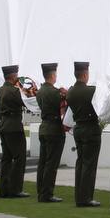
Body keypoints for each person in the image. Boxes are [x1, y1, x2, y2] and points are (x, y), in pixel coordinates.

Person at [67, 60, 101, 207]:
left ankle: (79, 196)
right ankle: (86, 197)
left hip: (79, 128)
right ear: (85, 74)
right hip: (90, 129)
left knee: (81, 162)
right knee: (89, 164)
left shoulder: (70, 91)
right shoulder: (90, 91)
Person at [0, 65, 28, 198]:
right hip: (14, 126)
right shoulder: (14, 91)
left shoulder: (0, 90)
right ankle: (15, 189)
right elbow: (26, 102)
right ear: (13, 76)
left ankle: (4, 189)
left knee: (6, 159)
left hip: (4, 125)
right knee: (19, 158)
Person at [35, 62, 64, 202]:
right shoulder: (54, 92)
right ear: (52, 75)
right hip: (54, 129)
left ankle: (41, 190)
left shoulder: (40, 91)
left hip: (44, 127)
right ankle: (47, 193)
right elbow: (63, 105)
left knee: (43, 162)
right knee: (51, 164)